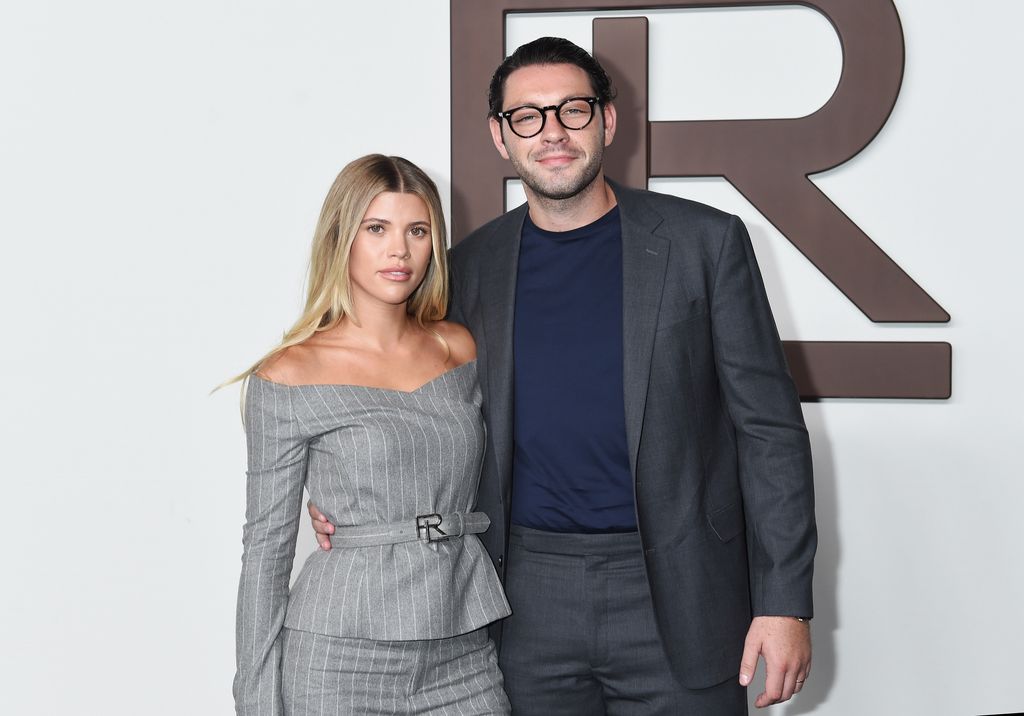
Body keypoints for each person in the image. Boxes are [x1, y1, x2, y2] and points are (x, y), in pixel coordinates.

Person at [310, 38, 816, 715]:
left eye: (572, 110)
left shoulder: (705, 244)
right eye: (527, 117)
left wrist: (785, 601)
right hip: (520, 597)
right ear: (500, 136)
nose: (551, 132)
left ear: (607, 121)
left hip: (678, 588)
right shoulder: (468, 269)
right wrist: (346, 491)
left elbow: (770, 432)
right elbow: (410, 396)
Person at [233, 154, 511, 715]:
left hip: (461, 647)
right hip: (338, 656)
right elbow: (265, 552)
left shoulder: (461, 348)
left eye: (417, 231)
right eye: (377, 229)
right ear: (342, 238)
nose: (399, 251)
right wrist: (256, 702)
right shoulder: (289, 374)